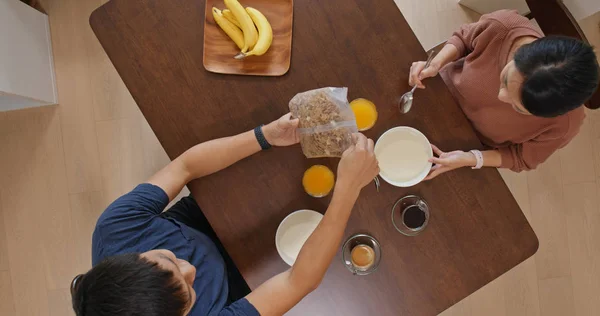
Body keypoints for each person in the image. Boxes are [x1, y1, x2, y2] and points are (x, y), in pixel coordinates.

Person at [69, 113, 379, 316]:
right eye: (188, 295)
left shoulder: (115, 228)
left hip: (197, 220)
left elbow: (185, 167)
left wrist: (265, 135)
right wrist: (348, 188)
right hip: (237, 283)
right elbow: (297, 282)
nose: (190, 268)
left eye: (170, 261)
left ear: (133, 256)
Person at [408, 10, 599, 178]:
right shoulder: (503, 28)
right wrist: (435, 63)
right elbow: (464, 38)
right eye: (506, 79)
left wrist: (471, 158)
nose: (501, 97)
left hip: (463, 142)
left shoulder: (565, 125)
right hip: (433, 93)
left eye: (519, 108)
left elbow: (520, 158)